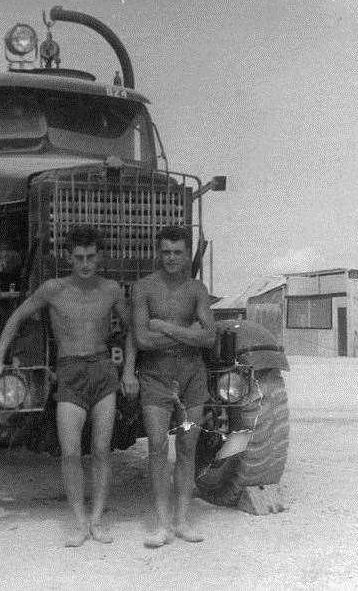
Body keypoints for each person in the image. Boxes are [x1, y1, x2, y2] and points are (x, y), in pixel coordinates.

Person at [0, 225, 138, 547]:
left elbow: (131, 330)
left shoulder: (111, 290)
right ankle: (79, 523)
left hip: (102, 371)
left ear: (100, 257)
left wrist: (129, 372)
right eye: (79, 257)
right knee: (70, 453)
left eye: (91, 257)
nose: (85, 264)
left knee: (100, 450)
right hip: (69, 372)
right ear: (69, 257)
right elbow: (15, 319)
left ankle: (97, 520)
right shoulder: (52, 289)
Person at [131, 225, 216, 548]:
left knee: (187, 447)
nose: (171, 258)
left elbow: (209, 337)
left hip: (193, 380)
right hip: (155, 379)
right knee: (156, 447)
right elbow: (141, 338)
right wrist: (187, 332)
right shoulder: (144, 288)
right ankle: (162, 524)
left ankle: (182, 521)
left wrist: (163, 326)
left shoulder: (197, 290)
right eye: (166, 252)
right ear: (158, 252)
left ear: (186, 252)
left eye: (178, 252)